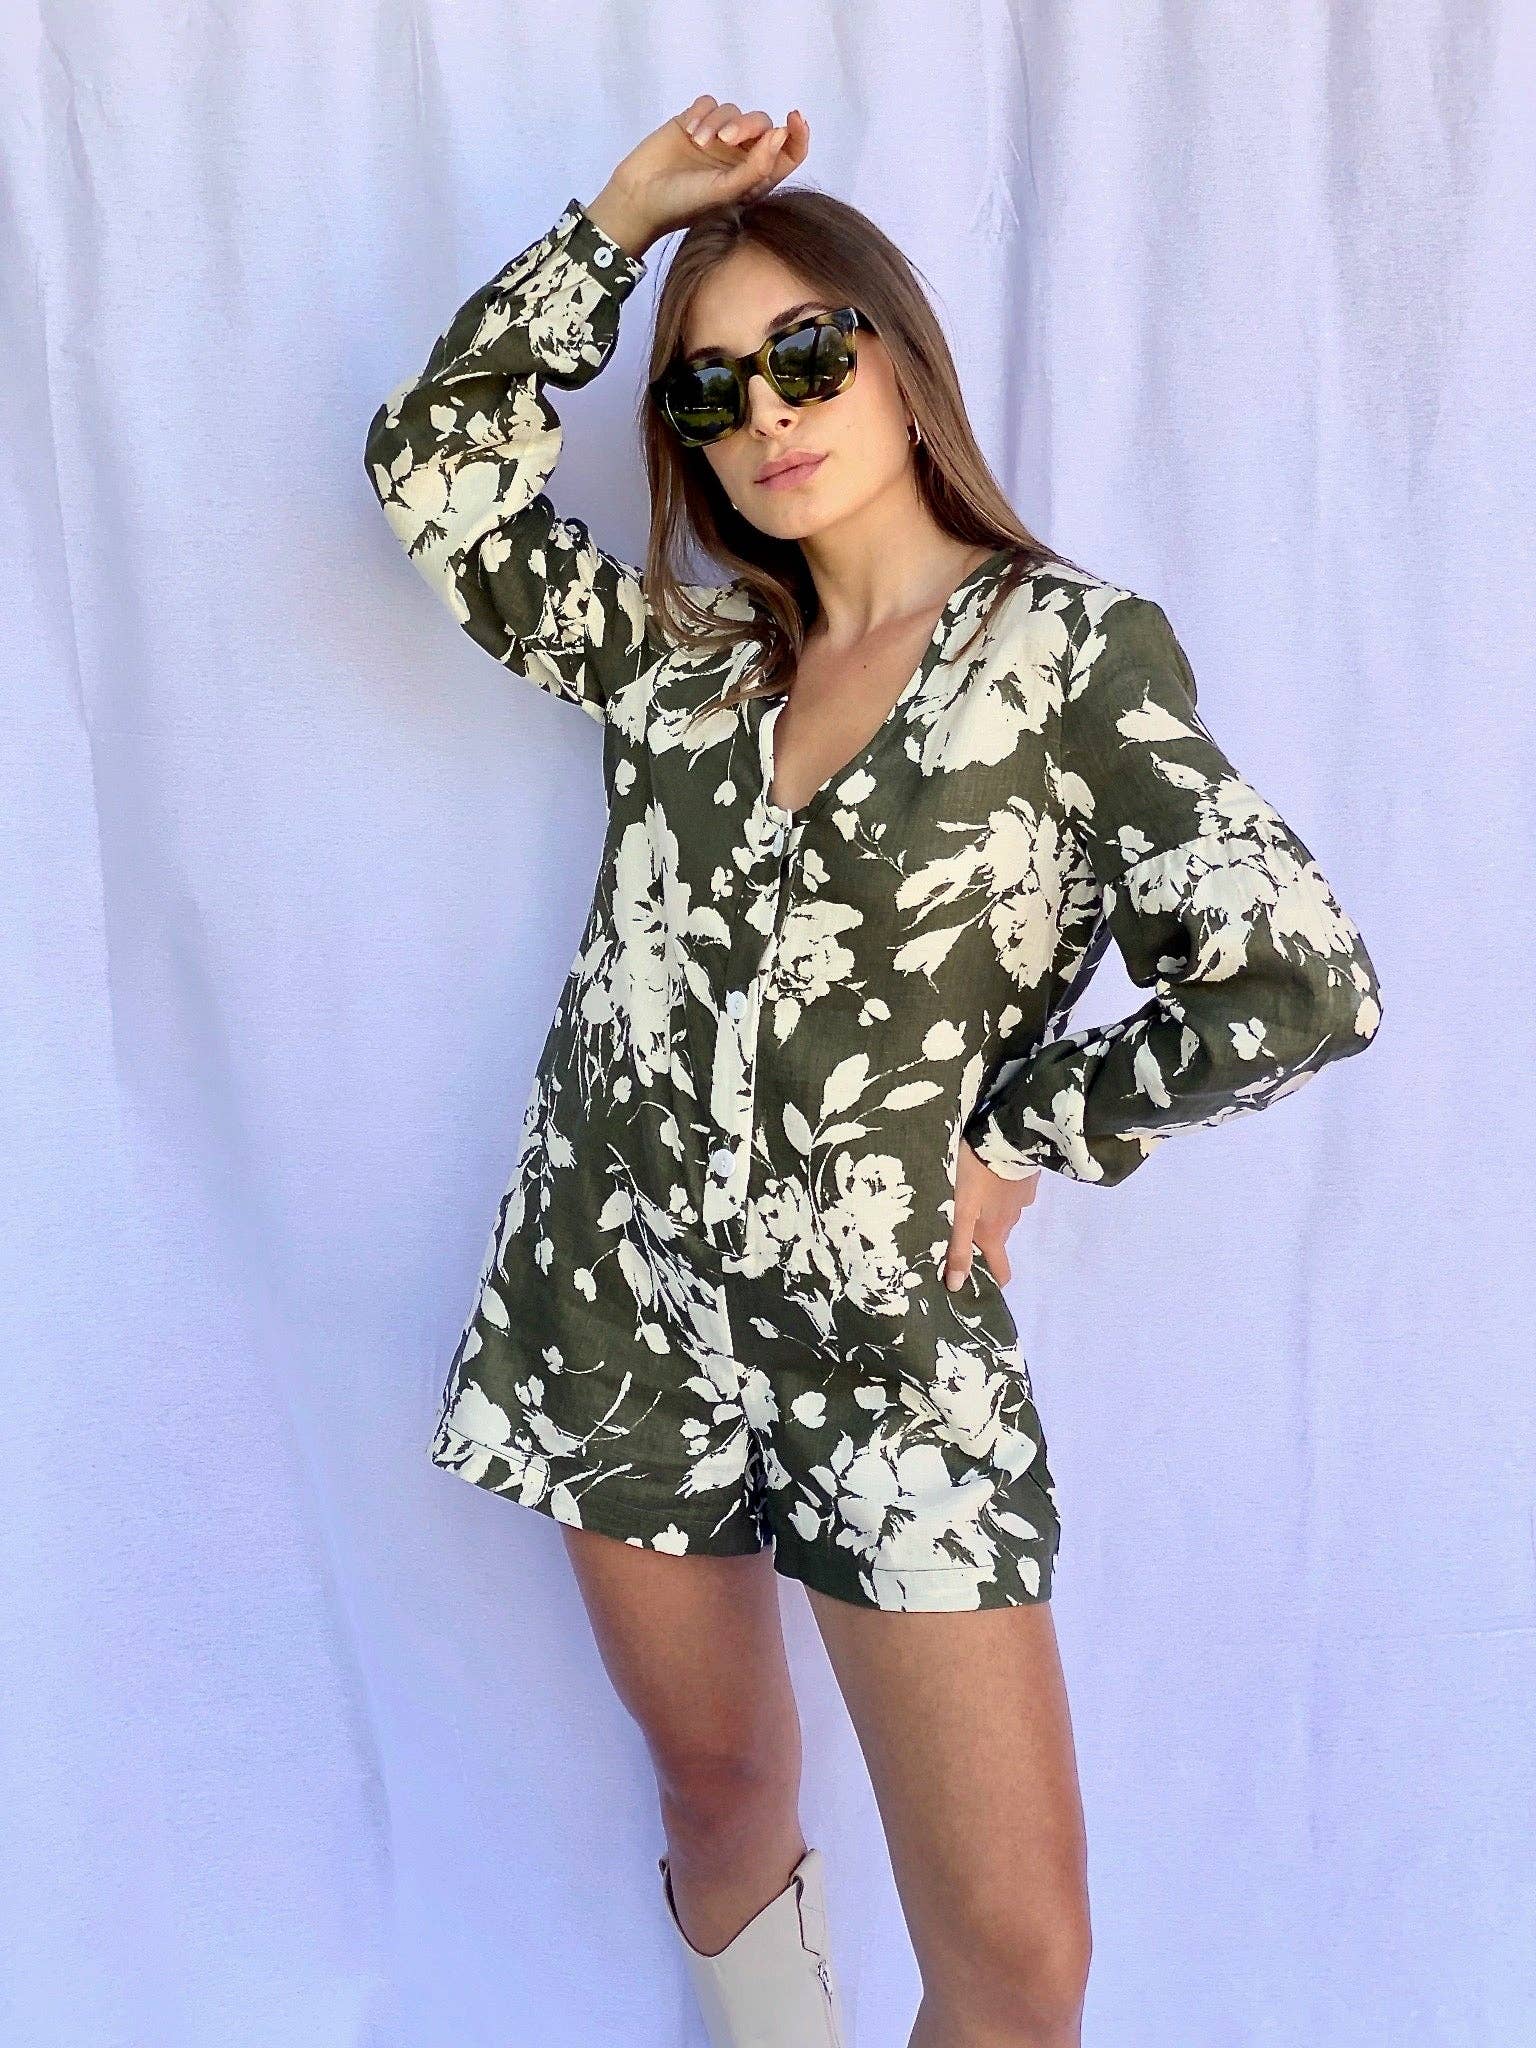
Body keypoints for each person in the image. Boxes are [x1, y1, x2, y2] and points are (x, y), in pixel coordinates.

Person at [363, 95, 1383, 2048]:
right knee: (718, 1787)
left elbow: (1296, 976)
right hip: (617, 1296)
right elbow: (437, 463)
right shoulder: (679, 663)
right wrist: (621, 221)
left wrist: (1030, 1128)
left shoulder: (1067, 658)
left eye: (808, 353)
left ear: (899, 358)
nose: (768, 412)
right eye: (711, 390)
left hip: (885, 1353)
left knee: (1018, 1962)